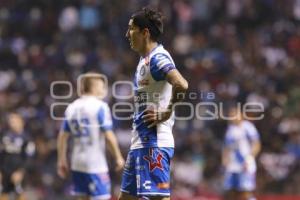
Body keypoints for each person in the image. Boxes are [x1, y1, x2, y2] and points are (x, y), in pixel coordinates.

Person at [119, 7, 188, 200]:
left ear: (145, 32)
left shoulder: (158, 58)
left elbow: (181, 84)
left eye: (131, 28)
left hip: (154, 144)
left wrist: (166, 112)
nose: (127, 34)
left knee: (158, 198)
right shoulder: (145, 60)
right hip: (140, 142)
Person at [57, 73, 125, 200]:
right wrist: (118, 157)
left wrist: (61, 159)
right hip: (95, 163)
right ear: (94, 87)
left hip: (76, 162)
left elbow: (62, 136)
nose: (104, 90)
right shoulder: (100, 106)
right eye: (102, 86)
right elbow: (108, 135)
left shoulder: (72, 107)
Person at [222, 106, 261, 200]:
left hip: (245, 163)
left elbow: (256, 144)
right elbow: (226, 147)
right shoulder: (230, 130)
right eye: (231, 115)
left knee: (245, 190)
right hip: (232, 165)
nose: (233, 117)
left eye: (235, 114)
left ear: (241, 115)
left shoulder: (248, 127)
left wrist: (250, 157)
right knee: (230, 191)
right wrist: (224, 160)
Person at [0, 113, 35, 200]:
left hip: (19, 172)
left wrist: (21, 172)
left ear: (21, 122)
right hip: (5, 172)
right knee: (3, 193)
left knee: (19, 193)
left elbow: (29, 158)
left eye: (15, 121)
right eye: (11, 121)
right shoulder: (4, 136)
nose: (12, 123)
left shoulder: (27, 138)